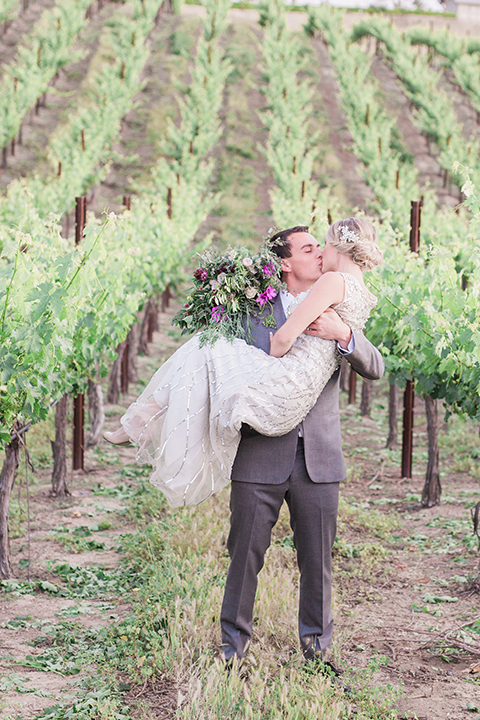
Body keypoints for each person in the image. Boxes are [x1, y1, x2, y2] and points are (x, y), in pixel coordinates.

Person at [104, 219, 382, 514]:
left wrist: (343, 334)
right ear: (284, 264)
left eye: (320, 246)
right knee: (205, 348)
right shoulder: (253, 310)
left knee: (206, 348)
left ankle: (143, 421)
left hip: (316, 454)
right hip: (261, 456)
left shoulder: (333, 295)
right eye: (308, 249)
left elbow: (375, 368)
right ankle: (149, 421)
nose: (319, 254)